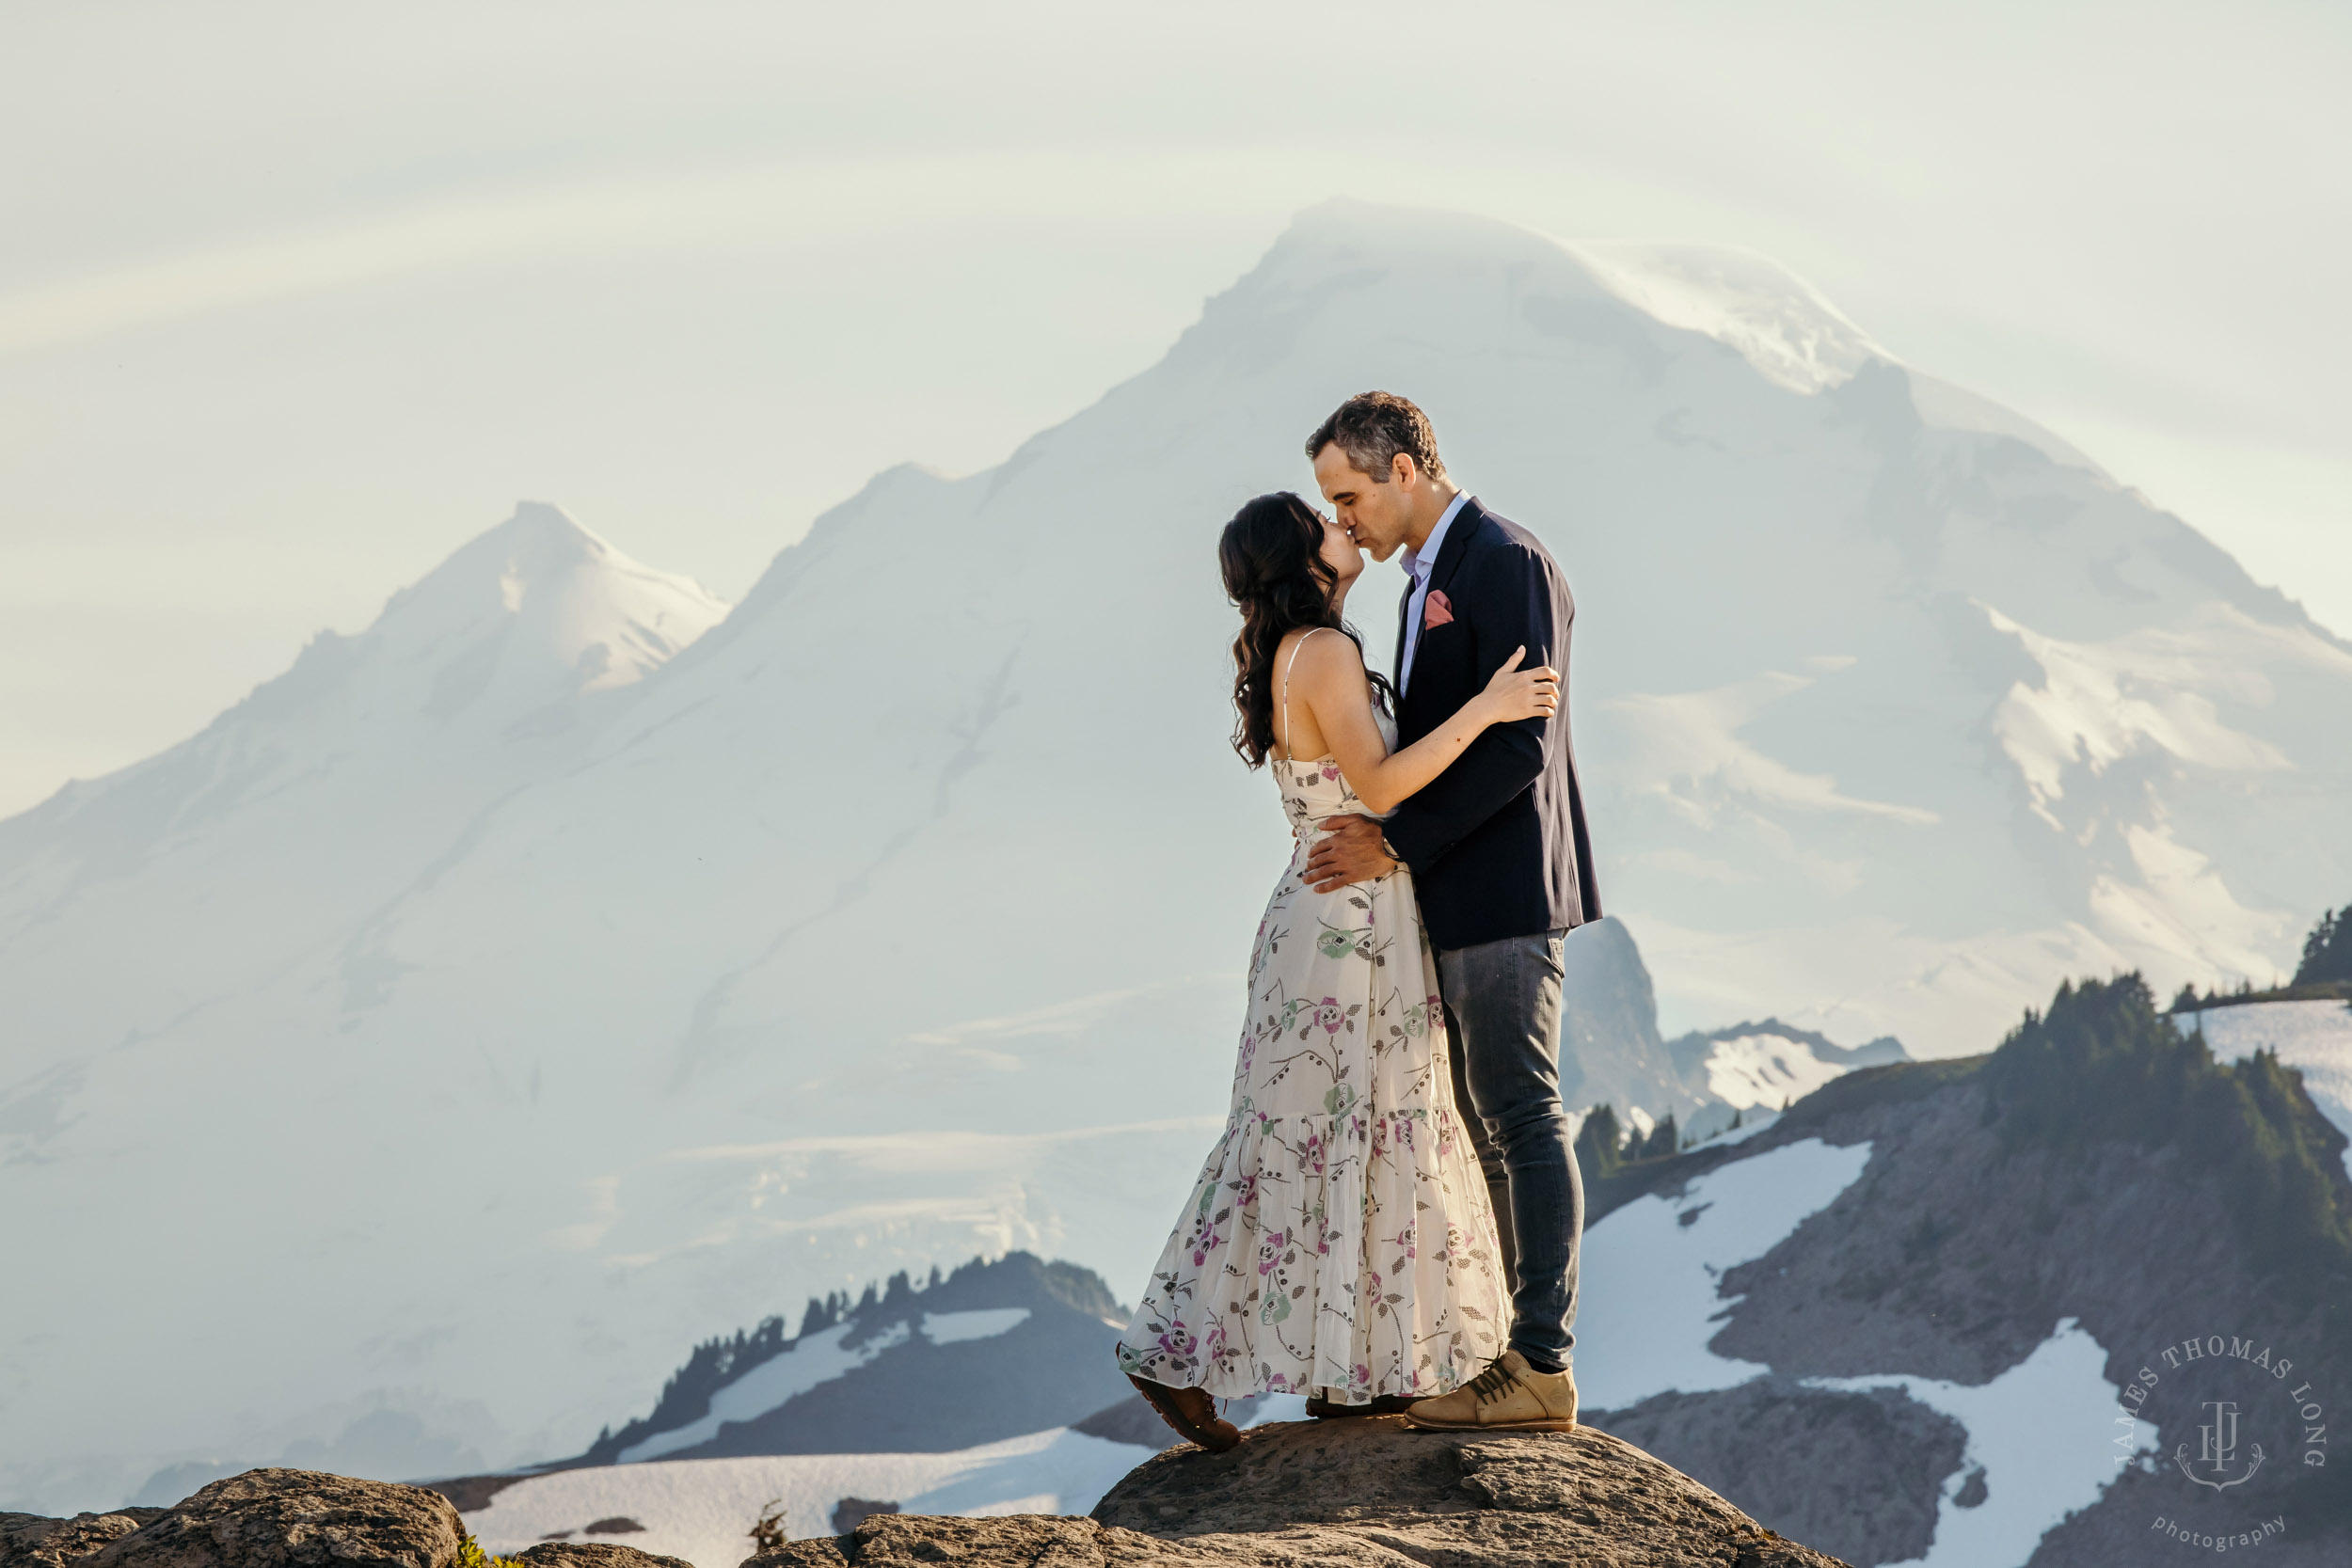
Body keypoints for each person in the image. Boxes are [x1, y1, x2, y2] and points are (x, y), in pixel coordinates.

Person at [1113, 489, 1558, 1450]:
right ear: (1299, 558)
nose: (1342, 525)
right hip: (1348, 924)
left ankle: (1347, 1374)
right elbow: (1385, 785)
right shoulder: (1324, 652)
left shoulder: (1297, 652)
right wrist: (1487, 707)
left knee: (1325, 1136)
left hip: (1331, 916)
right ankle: (1170, 1349)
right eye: (1325, 520)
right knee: (1352, 1130)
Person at [1303, 390, 1601, 1435]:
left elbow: (1521, 745)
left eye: (1348, 495)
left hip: (1507, 890)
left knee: (1520, 1112)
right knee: (1480, 1121)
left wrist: (1396, 840)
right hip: (1456, 891)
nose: (1344, 520)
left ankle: (1541, 1363)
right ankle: (1498, 1351)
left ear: (1404, 467)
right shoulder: (1421, 577)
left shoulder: (1503, 559)